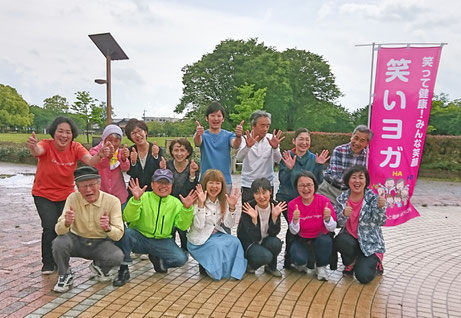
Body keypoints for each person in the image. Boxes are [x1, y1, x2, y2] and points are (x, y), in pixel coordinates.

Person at [26, 116, 109, 274]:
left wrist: (100, 155)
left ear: (72, 134)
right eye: (60, 131)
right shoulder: (46, 144)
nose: (64, 135)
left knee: (64, 227)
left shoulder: (75, 147)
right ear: (54, 132)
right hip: (43, 194)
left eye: (68, 132)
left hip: (65, 195)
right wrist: (33, 146)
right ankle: (48, 263)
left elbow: (90, 161)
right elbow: (38, 150)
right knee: (50, 226)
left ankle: (62, 262)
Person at [112, 169, 197, 286]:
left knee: (181, 259)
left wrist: (187, 209)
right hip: (140, 238)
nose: (163, 186)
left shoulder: (176, 203)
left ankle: (159, 261)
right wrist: (135, 200)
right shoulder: (142, 197)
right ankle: (123, 270)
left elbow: (183, 226)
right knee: (126, 234)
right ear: (152, 184)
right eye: (159, 182)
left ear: (172, 185)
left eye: (167, 183)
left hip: (162, 241)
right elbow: (128, 218)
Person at [52, 166, 124, 292]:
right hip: (76, 241)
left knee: (117, 256)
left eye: (92, 184)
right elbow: (58, 230)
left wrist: (108, 228)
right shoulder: (72, 198)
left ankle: (99, 267)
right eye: (83, 186)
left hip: (100, 243)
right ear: (78, 188)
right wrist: (67, 223)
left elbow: (118, 235)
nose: (88, 189)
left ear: (99, 184)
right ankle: (64, 274)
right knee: (59, 242)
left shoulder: (113, 201)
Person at [275, 128, 330, 268]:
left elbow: (318, 181)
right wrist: (289, 168)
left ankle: (307, 256)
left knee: (306, 226)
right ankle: (290, 258)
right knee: (294, 225)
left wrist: (319, 166)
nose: (304, 142)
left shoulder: (313, 158)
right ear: (294, 140)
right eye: (301, 139)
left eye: (307, 140)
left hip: (306, 200)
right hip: (287, 198)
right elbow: (282, 180)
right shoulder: (287, 156)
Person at [187, 169, 246, 280]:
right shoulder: (197, 199)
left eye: (217, 183)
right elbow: (199, 226)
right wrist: (200, 204)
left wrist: (232, 207)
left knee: (235, 242)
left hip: (215, 234)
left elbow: (229, 225)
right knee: (217, 246)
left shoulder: (223, 200)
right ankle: (215, 271)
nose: (214, 186)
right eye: (211, 183)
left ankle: (233, 272)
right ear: (205, 184)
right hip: (200, 238)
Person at [334, 165, 387, 284]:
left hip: (370, 245)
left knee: (363, 277)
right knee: (340, 240)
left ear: (366, 181)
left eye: (361, 177)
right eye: (353, 177)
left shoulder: (374, 198)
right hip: (351, 241)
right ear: (348, 181)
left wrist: (380, 208)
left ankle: (376, 263)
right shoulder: (342, 198)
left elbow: (381, 221)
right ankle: (351, 262)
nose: (357, 181)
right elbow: (337, 223)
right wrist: (343, 214)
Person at [287, 171, 337, 281]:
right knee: (298, 258)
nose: (306, 189)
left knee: (325, 240)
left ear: (315, 185)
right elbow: (294, 231)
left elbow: (332, 228)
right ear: (296, 187)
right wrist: (295, 220)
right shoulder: (292, 205)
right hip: (303, 239)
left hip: (320, 238)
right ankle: (308, 261)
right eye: (302, 185)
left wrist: (327, 218)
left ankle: (321, 267)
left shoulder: (324, 201)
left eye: (309, 185)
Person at [237, 178, 286, 277]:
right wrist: (254, 221)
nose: (261, 197)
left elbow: (274, 232)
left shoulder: (274, 206)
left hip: (265, 239)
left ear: (270, 192)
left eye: (264, 192)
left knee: (276, 243)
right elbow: (252, 237)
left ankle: (271, 267)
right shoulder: (248, 208)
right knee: (265, 256)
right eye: (257, 193)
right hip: (250, 243)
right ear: (253, 194)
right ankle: (250, 265)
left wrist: (274, 218)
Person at [236, 110, 284, 204]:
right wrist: (247, 147)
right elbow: (239, 158)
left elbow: (279, 161)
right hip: (248, 184)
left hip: (267, 184)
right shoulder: (245, 139)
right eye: (262, 125)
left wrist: (275, 148)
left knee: (267, 215)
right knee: (248, 216)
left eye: (267, 126)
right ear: (253, 125)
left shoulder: (271, 139)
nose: (265, 129)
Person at [194, 101, 244, 191]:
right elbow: (197, 142)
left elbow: (235, 144)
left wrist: (238, 136)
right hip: (206, 180)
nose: (216, 118)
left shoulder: (229, 135)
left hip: (224, 180)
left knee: (224, 205)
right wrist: (198, 134)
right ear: (207, 118)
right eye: (212, 116)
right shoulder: (202, 135)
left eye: (219, 116)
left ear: (223, 119)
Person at [318, 125, 373, 204]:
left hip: (349, 194)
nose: (357, 143)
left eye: (362, 140)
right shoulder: (339, 150)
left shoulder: (367, 157)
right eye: (356, 138)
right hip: (329, 189)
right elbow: (336, 176)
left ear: (367, 143)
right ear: (352, 136)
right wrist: (356, 182)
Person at [166, 138, 200, 252]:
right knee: (170, 228)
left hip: (186, 203)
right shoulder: (167, 165)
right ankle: (170, 250)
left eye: (182, 150)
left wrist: (192, 175)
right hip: (170, 203)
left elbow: (193, 188)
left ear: (188, 152)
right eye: (176, 150)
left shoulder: (193, 166)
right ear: (171, 152)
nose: (179, 154)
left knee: (182, 229)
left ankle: (185, 249)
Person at [90, 124, 130, 209]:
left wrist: (123, 159)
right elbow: (99, 165)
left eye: (116, 141)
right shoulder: (95, 151)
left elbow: (126, 169)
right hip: (100, 194)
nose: (113, 144)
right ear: (104, 139)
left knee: (119, 220)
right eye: (110, 140)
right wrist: (107, 157)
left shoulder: (120, 152)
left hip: (119, 195)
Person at [125, 118, 164, 197]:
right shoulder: (130, 151)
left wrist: (155, 156)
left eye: (139, 131)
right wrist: (133, 162)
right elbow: (130, 174)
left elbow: (158, 171)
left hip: (153, 192)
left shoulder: (157, 149)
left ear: (145, 132)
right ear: (130, 137)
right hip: (135, 191)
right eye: (133, 133)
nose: (137, 135)